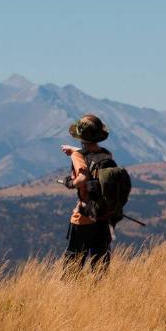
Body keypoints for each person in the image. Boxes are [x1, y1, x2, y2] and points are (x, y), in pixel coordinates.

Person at [60, 114, 114, 274]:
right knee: (100, 263)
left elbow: (82, 178)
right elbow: (91, 155)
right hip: (102, 215)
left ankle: (71, 288)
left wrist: (70, 183)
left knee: (73, 261)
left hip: (83, 216)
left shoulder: (78, 156)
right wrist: (73, 150)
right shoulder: (106, 154)